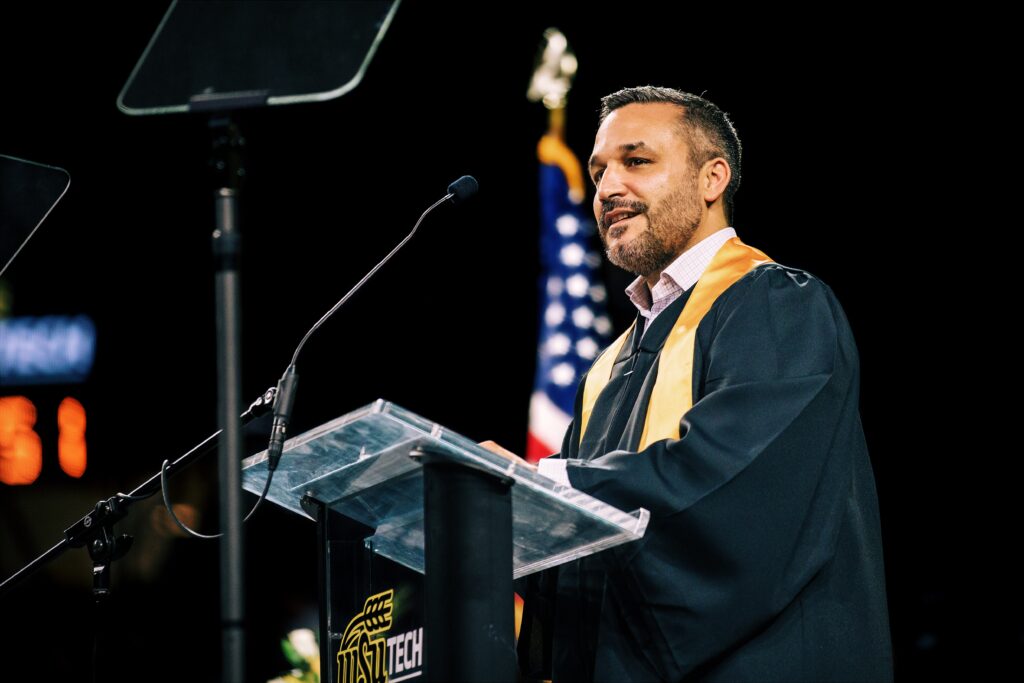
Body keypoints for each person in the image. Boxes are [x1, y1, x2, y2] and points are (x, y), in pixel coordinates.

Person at [494, 86, 893, 682]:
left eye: (637, 161)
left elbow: (734, 485)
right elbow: (579, 561)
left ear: (712, 179)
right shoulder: (609, 367)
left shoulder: (778, 306)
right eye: (600, 170)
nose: (606, 189)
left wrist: (540, 481)